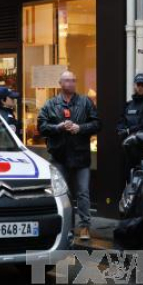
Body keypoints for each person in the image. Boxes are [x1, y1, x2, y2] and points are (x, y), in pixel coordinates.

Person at [37, 71, 101, 240]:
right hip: (59, 156)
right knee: (62, 194)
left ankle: (85, 227)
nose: (71, 83)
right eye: (68, 80)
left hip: (81, 156)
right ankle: (67, 227)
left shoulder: (85, 102)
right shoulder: (51, 104)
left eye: (74, 80)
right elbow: (42, 126)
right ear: (60, 83)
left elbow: (97, 124)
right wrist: (58, 127)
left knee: (83, 193)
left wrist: (80, 128)